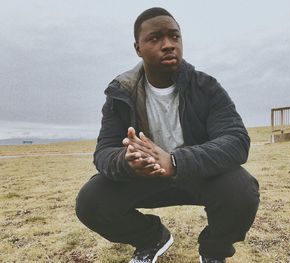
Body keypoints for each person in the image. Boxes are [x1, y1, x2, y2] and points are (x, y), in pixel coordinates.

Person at [75, 7, 260, 263]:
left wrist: (175, 161)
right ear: (138, 48)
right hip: (145, 178)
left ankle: (214, 253)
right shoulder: (121, 93)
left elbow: (236, 140)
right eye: (155, 38)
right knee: (91, 201)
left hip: (197, 173)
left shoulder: (206, 87)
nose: (168, 45)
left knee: (241, 190)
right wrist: (126, 162)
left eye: (174, 36)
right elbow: (104, 152)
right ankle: (151, 239)